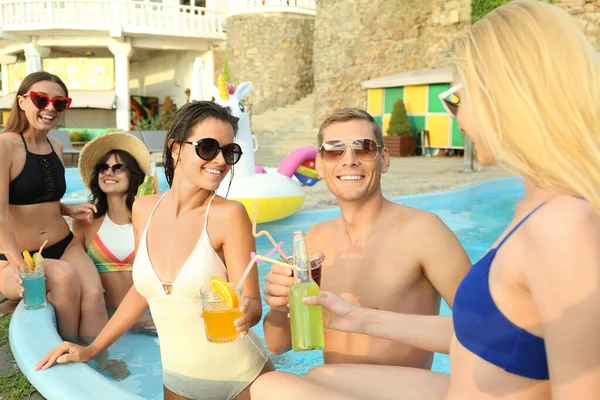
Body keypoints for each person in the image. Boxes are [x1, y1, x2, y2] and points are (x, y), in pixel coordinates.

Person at [251, 1, 600, 399]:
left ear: (508, 96)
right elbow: (488, 331)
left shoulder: (563, 225)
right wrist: (357, 318)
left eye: (456, 97)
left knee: (272, 389)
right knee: (306, 380)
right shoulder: (536, 210)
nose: (457, 116)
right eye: (333, 150)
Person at [36, 101, 274, 400]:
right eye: (208, 147)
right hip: (177, 382)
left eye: (229, 152)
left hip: (243, 378)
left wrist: (244, 312)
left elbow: (252, 302)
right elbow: (142, 289)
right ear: (175, 149)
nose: (221, 160)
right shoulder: (144, 208)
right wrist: (92, 349)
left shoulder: (230, 215)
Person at [262, 107, 471, 368]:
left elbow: (489, 330)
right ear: (319, 164)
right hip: (335, 391)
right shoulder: (313, 241)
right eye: (334, 150)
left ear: (383, 159)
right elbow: (277, 344)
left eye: (363, 148)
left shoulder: (424, 232)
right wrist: (279, 307)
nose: (349, 160)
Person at [0, 71, 108, 344]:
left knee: (95, 294)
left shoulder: (56, 146)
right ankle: (68, 350)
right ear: (22, 101)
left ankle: (99, 361)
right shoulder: (5, 146)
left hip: (64, 244)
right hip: (15, 257)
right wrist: (22, 265)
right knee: (64, 276)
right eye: (41, 99)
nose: (50, 108)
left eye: (59, 103)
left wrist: (69, 210)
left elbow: (40, 198)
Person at [73, 132, 157, 312]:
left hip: (149, 320)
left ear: (132, 175)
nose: (109, 172)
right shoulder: (85, 222)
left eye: (118, 167)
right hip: (107, 322)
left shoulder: (150, 219)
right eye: (103, 167)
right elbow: (76, 275)